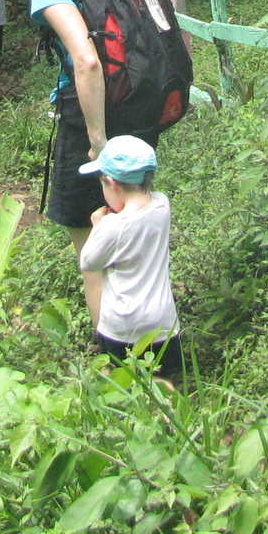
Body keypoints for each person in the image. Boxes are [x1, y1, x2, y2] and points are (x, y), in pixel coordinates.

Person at [13, 0, 125, 321]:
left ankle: (115, 354)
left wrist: (97, 141)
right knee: (130, 221)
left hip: (87, 117)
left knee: (91, 250)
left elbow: (87, 59)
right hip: (131, 104)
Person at [77, 135, 181, 381]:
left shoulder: (113, 225)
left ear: (112, 183)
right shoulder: (162, 205)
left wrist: (97, 225)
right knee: (164, 381)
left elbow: (89, 262)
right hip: (163, 323)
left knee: (128, 384)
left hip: (123, 326)